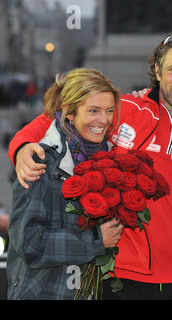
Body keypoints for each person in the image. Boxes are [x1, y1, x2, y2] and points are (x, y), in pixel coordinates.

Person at [7, 31, 172, 299]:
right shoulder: (125, 108)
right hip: (118, 275)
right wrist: (22, 147)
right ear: (157, 70)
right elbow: (57, 118)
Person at [7, 68, 124, 299]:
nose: (104, 120)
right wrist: (95, 241)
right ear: (69, 112)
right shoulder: (39, 162)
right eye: (93, 111)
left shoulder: (111, 162)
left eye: (109, 111)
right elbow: (29, 243)